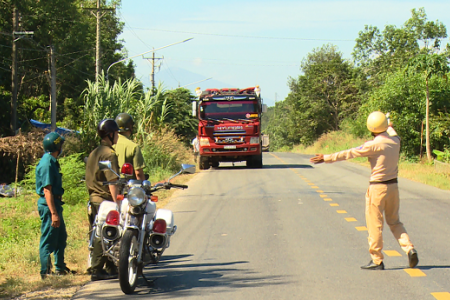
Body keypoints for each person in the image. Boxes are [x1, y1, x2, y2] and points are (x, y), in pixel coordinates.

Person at [310, 111, 418, 270]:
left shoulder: (372, 145)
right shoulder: (395, 141)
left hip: (377, 187)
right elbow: (392, 130)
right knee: (394, 221)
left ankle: (377, 259)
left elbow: (349, 153)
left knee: (375, 224)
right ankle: (409, 248)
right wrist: (389, 124)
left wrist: (326, 158)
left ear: (371, 128)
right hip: (393, 187)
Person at [85, 119, 121, 281]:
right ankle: (97, 269)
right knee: (104, 234)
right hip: (104, 200)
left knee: (97, 232)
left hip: (93, 198)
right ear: (111, 134)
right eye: (117, 133)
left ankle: (110, 266)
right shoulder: (109, 154)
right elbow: (113, 182)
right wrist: (117, 203)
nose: (118, 136)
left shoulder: (94, 152)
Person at [36, 132, 73, 279]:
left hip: (56, 204)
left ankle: (60, 268)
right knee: (48, 238)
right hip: (49, 206)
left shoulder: (52, 161)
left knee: (60, 236)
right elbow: (47, 190)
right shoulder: (47, 164)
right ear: (57, 146)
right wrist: (53, 213)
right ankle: (45, 272)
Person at [113, 113, 146, 180]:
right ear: (130, 127)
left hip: (110, 185)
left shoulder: (109, 144)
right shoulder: (133, 147)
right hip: (128, 187)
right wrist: (143, 187)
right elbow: (138, 173)